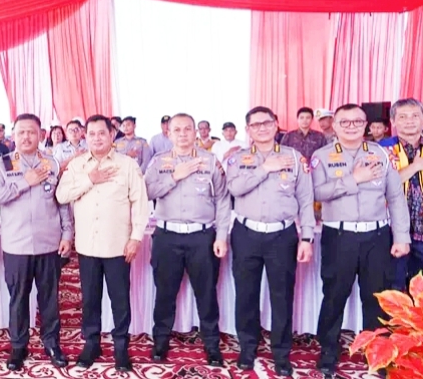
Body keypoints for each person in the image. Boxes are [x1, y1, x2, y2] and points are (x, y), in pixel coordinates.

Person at [312, 104, 410, 377]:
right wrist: (354, 179)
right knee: (334, 295)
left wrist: (401, 237)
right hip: (339, 237)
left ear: (365, 124)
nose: (351, 126)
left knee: (376, 297)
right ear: (334, 125)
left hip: (377, 237)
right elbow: (316, 192)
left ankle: (377, 354)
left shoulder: (381, 154)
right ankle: (328, 351)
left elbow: (395, 197)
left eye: (357, 121)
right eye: (345, 121)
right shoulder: (322, 156)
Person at [226, 106, 315, 377]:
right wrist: (265, 168)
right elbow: (235, 188)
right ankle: (247, 348)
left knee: (282, 295)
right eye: (255, 125)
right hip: (246, 233)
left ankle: (281, 353)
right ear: (248, 130)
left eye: (267, 123)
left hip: (282, 235)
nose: (262, 128)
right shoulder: (237, 158)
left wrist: (307, 237)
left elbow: (306, 200)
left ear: (276, 125)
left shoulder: (294, 158)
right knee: (246, 294)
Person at [56, 115, 149, 372]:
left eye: (102, 133)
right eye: (92, 134)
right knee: (90, 299)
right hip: (87, 245)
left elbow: (140, 202)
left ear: (111, 135)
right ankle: (92, 344)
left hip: (118, 246)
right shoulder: (77, 165)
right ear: (85, 136)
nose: (96, 138)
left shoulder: (127, 165)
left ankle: (121, 346)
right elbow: (61, 195)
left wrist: (136, 238)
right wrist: (90, 179)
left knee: (120, 300)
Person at [0, 113, 72, 371]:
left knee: (49, 298)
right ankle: (18, 346)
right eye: (21, 132)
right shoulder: (2, 164)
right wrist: (25, 182)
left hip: (49, 244)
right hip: (17, 245)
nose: (26, 137)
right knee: (18, 298)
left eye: (31, 132)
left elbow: (62, 201)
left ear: (41, 135)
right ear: (13, 135)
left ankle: (51, 343)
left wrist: (67, 234)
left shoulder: (51, 163)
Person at [144, 114, 230, 365]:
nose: (182, 134)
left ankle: (212, 345)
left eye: (187, 129)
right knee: (164, 294)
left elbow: (223, 200)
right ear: (168, 133)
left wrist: (221, 236)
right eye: (177, 130)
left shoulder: (210, 161)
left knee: (206, 294)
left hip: (202, 238)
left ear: (195, 132)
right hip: (167, 237)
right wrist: (174, 176)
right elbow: (146, 191)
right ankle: (160, 342)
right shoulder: (158, 161)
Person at [386, 99, 423, 291]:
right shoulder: (382, 149)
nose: (410, 121)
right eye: (403, 116)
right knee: (396, 290)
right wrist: (415, 167)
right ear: (393, 121)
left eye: (415, 115)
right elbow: (381, 185)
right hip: (393, 233)